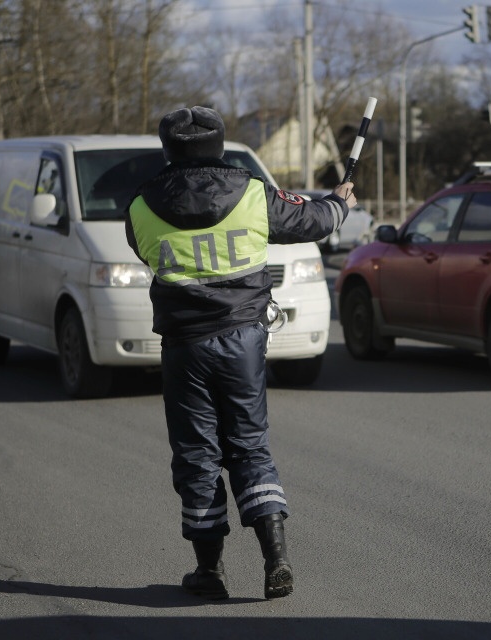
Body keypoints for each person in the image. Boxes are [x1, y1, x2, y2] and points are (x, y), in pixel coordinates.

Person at [125, 105, 356, 600]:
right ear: (220, 145)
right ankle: (277, 561)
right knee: (249, 447)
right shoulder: (252, 192)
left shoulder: (140, 205)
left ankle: (209, 572)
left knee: (197, 454)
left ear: (167, 149)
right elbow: (311, 220)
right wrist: (339, 203)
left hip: (184, 346)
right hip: (243, 340)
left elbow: (144, 252)